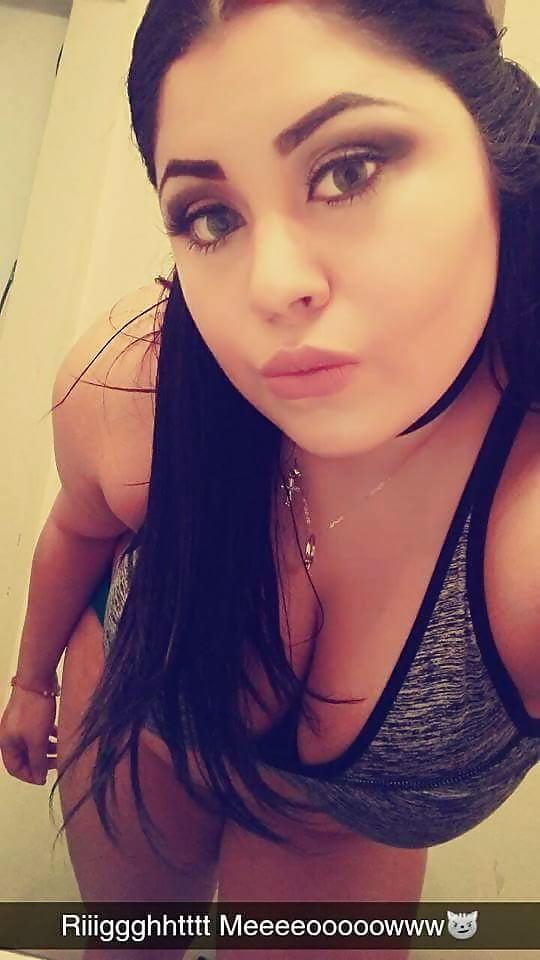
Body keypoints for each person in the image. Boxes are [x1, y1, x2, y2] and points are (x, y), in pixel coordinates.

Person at [1, 0, 539, 955]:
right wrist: (32, 683)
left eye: (349, 169)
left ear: (499, 151)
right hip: (141, 730)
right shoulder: (136, 380)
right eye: (210, 215)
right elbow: (78, 527)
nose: (271, 284)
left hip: (336, 828)